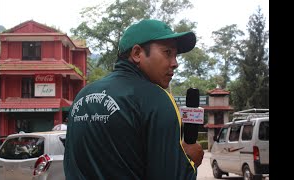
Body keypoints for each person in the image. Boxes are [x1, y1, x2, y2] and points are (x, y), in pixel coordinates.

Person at [64, 19, 204, 180]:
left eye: (175, 55)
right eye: (167, 53)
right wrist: (190, 162)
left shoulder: (83, 95)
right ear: (137, 53)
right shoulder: (157, 100)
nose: (175, 63)